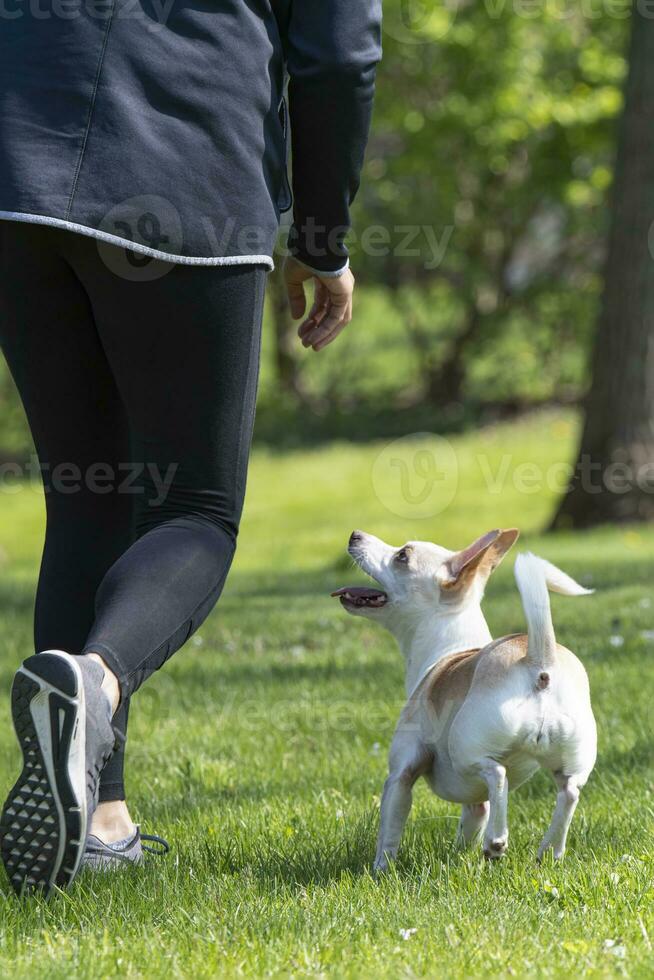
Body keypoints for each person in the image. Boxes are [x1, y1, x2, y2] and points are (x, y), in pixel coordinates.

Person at [0, 0, 382, 896]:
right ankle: (97, 681)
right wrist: (323, 240)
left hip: (14, 174)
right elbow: (338, 50)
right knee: (194, 510)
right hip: (182, 169)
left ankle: (98, 821)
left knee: (87, 494)